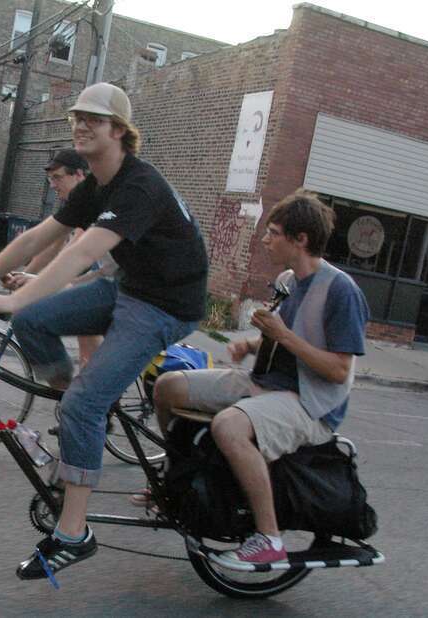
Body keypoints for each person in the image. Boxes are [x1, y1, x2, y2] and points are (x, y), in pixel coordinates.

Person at [0, 82, 208, 579]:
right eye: (77, 118)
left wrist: (13, 296)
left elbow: (83, 253)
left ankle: (73, 534)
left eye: (94, 118)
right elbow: (42, 237)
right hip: (131, 287)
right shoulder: (96, 186)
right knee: (33, 324)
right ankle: (80, 410)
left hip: (166, 306)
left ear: (120, 131)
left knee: (82, 400)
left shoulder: (139, 186)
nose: (81, 125)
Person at [151, 189, 369, 567]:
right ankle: (177, 481)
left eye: (273, 232)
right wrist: (252, 344)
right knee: (168, 386)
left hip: (312, 404)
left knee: (228, 427)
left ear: (300, 240)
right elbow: (289, 335)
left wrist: (281, 334)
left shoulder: (341, 291)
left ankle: (268, 537)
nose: (265, 240)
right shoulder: (288, 279)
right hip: (267, 383)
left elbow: (337, 370)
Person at [0, 148, 109, 373]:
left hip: (112, 277)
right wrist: (24, 275)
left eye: (57, 177)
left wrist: (35, 281)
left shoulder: (92, 200)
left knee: (86, 344)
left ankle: (88, 397)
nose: (52, 184)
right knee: (84, 336)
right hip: (93, 273)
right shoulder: (72, 202)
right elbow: (52, 246)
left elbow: (76, 249)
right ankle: (85, 390)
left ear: (79, 175)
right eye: (50, 179)